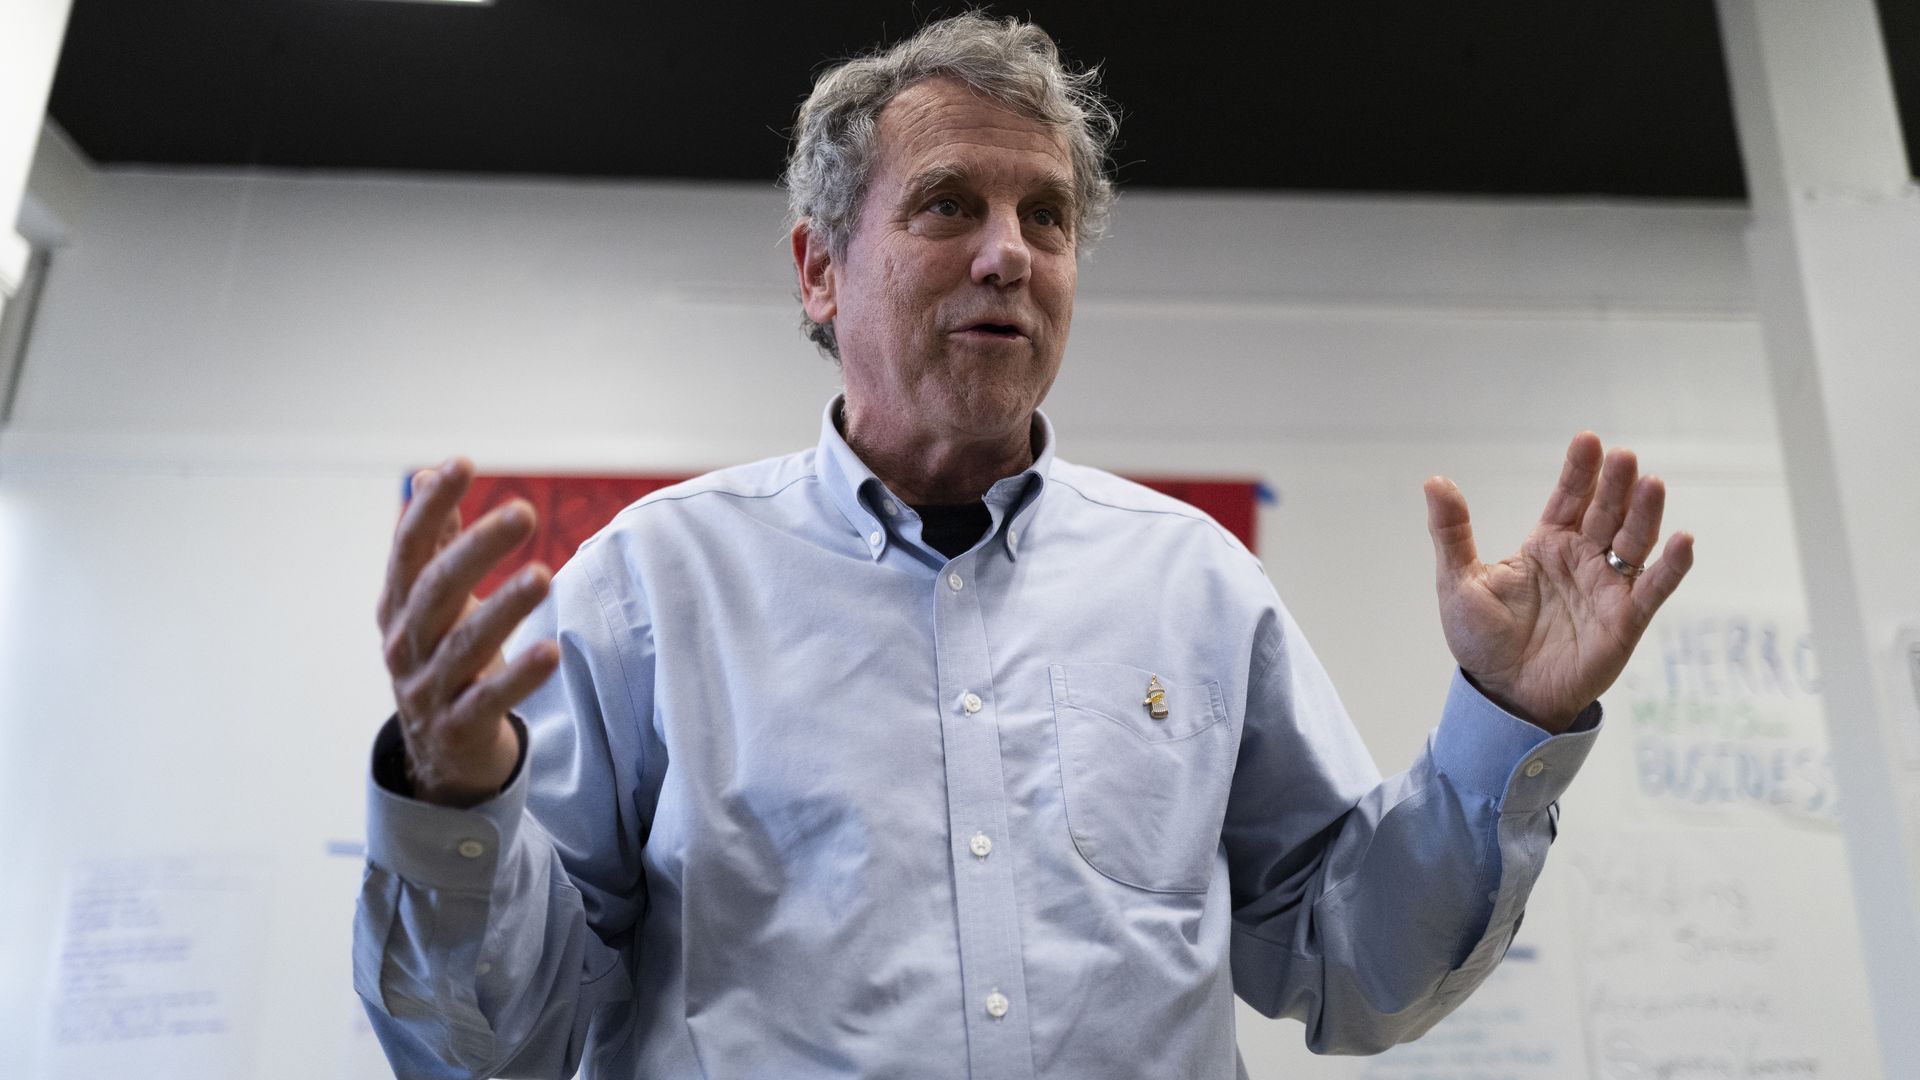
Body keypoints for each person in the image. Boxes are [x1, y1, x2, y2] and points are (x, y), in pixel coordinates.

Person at [354, 13, 1693, 1080]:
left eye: (1046, 217)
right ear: (821, 271)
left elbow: (1357, 969)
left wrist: (1508, 719)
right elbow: (495, 1048)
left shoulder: (1196, 588)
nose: (1012, 254)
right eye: (948, 205)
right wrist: (452, 805)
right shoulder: (655, 590)